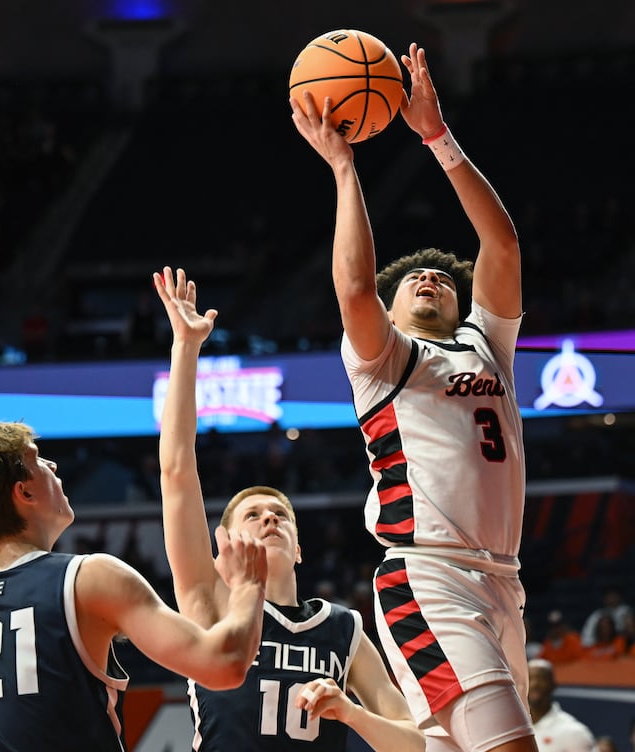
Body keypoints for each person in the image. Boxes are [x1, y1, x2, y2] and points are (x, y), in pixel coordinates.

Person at [290, 42, 536, 752]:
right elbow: (356, 288)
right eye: (414, 280)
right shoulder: (384, 360)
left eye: (441, 277)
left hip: (503, 584)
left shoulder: (486, 345)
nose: (428, 277)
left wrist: (437, 136)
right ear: (393, 313)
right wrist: (344, 169)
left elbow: (504, 248)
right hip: (429, 577)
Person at [0, 420, 268, 751]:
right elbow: (224, 665)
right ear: (25, 492)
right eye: (39, 460)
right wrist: (248, 586)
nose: (53, 467)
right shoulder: (90, 579)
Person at [153, 266, 424, 752]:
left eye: (280, 515)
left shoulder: (344, 628)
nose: (270, 518)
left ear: (299, 549)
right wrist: (186, 347)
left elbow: (414, 744)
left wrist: (350, 711)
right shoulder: (210, 600)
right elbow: (176, 472)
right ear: (225, 548)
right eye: (252, 515)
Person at [527, 658, 596, 752]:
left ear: (553, 685)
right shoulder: (512, 727)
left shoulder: (573, 732)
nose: (535, 684)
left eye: (542, 678)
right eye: (530, 678)